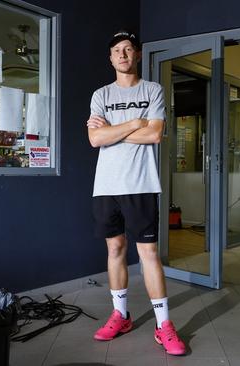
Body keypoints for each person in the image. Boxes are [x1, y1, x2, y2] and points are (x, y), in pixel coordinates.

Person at [86, 29, 186, 356]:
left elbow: (155, 135)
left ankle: (164, 325)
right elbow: (95, 140)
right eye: (117, 50)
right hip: (106, 186)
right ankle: (120, 315)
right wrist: (132, 125)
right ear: (111, 57)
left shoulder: (153, 90)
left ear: (137, 55)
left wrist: (111, 131)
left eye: (129, 49)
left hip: (141, 184)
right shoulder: (100, 94)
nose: (123, 55)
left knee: (148, 254)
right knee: (115, 249)